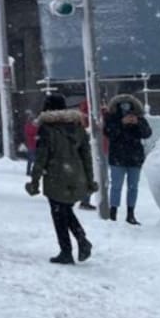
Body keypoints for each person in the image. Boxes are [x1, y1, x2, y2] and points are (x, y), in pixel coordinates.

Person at [27, 94, 95, 264]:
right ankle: (81, 240)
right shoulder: (77, 126)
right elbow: (86, 155)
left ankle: (67, 251)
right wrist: (89, 179)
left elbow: (41, 157)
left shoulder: (47, 128)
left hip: (56, 175)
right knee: (65, 210)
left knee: (59, 213)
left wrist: (34, 180)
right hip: (76, 174)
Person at [103, 94, 152, 225]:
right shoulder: (111, 118)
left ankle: (131, 214)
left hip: (134, 158)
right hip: (118, 157)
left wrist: (137, 123)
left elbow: (147, 133)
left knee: (133, 187)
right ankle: (113, 213)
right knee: (116, 186)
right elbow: (108, 133)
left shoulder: (139, 118)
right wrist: (121, 124)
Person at [23, 111, 39, 176]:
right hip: (31, 144)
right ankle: (30, 171)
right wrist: (34, 137)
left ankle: (29, 170)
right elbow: (28, 135)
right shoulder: (28, 126)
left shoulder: (36, 126)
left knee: (31, 159)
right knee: (32, 158)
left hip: (35, 144)